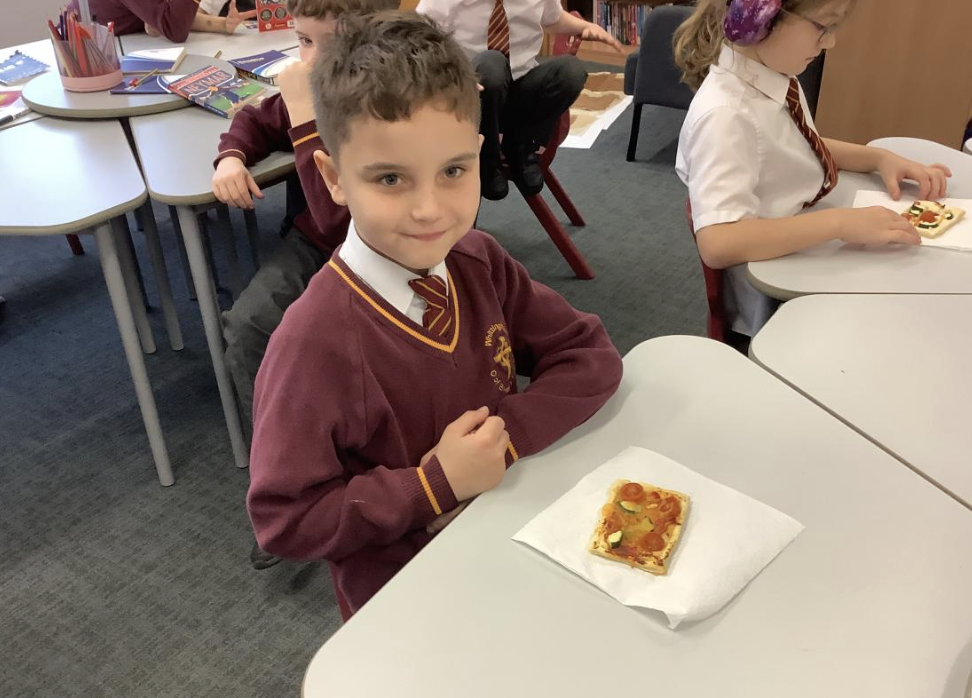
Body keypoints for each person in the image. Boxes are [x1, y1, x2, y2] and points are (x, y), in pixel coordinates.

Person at [246, 11, 623, 619]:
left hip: (511, 537)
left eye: (454, 171)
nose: (430, 211)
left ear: (481, 154)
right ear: (333, 178)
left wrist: (499, 447)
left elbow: (589, 355)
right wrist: (431, 486)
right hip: (405, 599)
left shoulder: (478, 261)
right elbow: (286, 520)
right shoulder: (313, 343)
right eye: (390, 178)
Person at [213, 0, 398, 570]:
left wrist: (305, 115)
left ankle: (365, 470)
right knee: (249, 324)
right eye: (302, 40)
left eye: (324, 43)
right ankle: (283, 473)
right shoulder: (304, 91)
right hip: (315, 247)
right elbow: (252, 117)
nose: (308, 58)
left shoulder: (383, 102)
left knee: (360, 348)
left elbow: (345, 222)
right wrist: (230, 157)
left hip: (381, 251)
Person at [674, 0, 951, 341]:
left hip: (801, 251)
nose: (830, 42)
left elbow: (796, 144)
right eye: (823, 27)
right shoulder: (725, 117)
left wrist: (877, 158)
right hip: (774, 301)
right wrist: (838, 224)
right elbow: (718, 242)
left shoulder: (770, 78)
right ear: (758, 18)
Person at [416, 0, 622, 200]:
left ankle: (521, 149)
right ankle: (487, 162)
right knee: (491, 63)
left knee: (570, 72)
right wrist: (451, 75)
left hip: (521, 88)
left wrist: (588, 26)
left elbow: (553, 19)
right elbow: (419, 37)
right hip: (474, 96)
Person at [83, 0, 256, 42]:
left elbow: (169, 18)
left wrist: (222, 25)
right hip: (90, 48)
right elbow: (175, 27)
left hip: (127, 43)